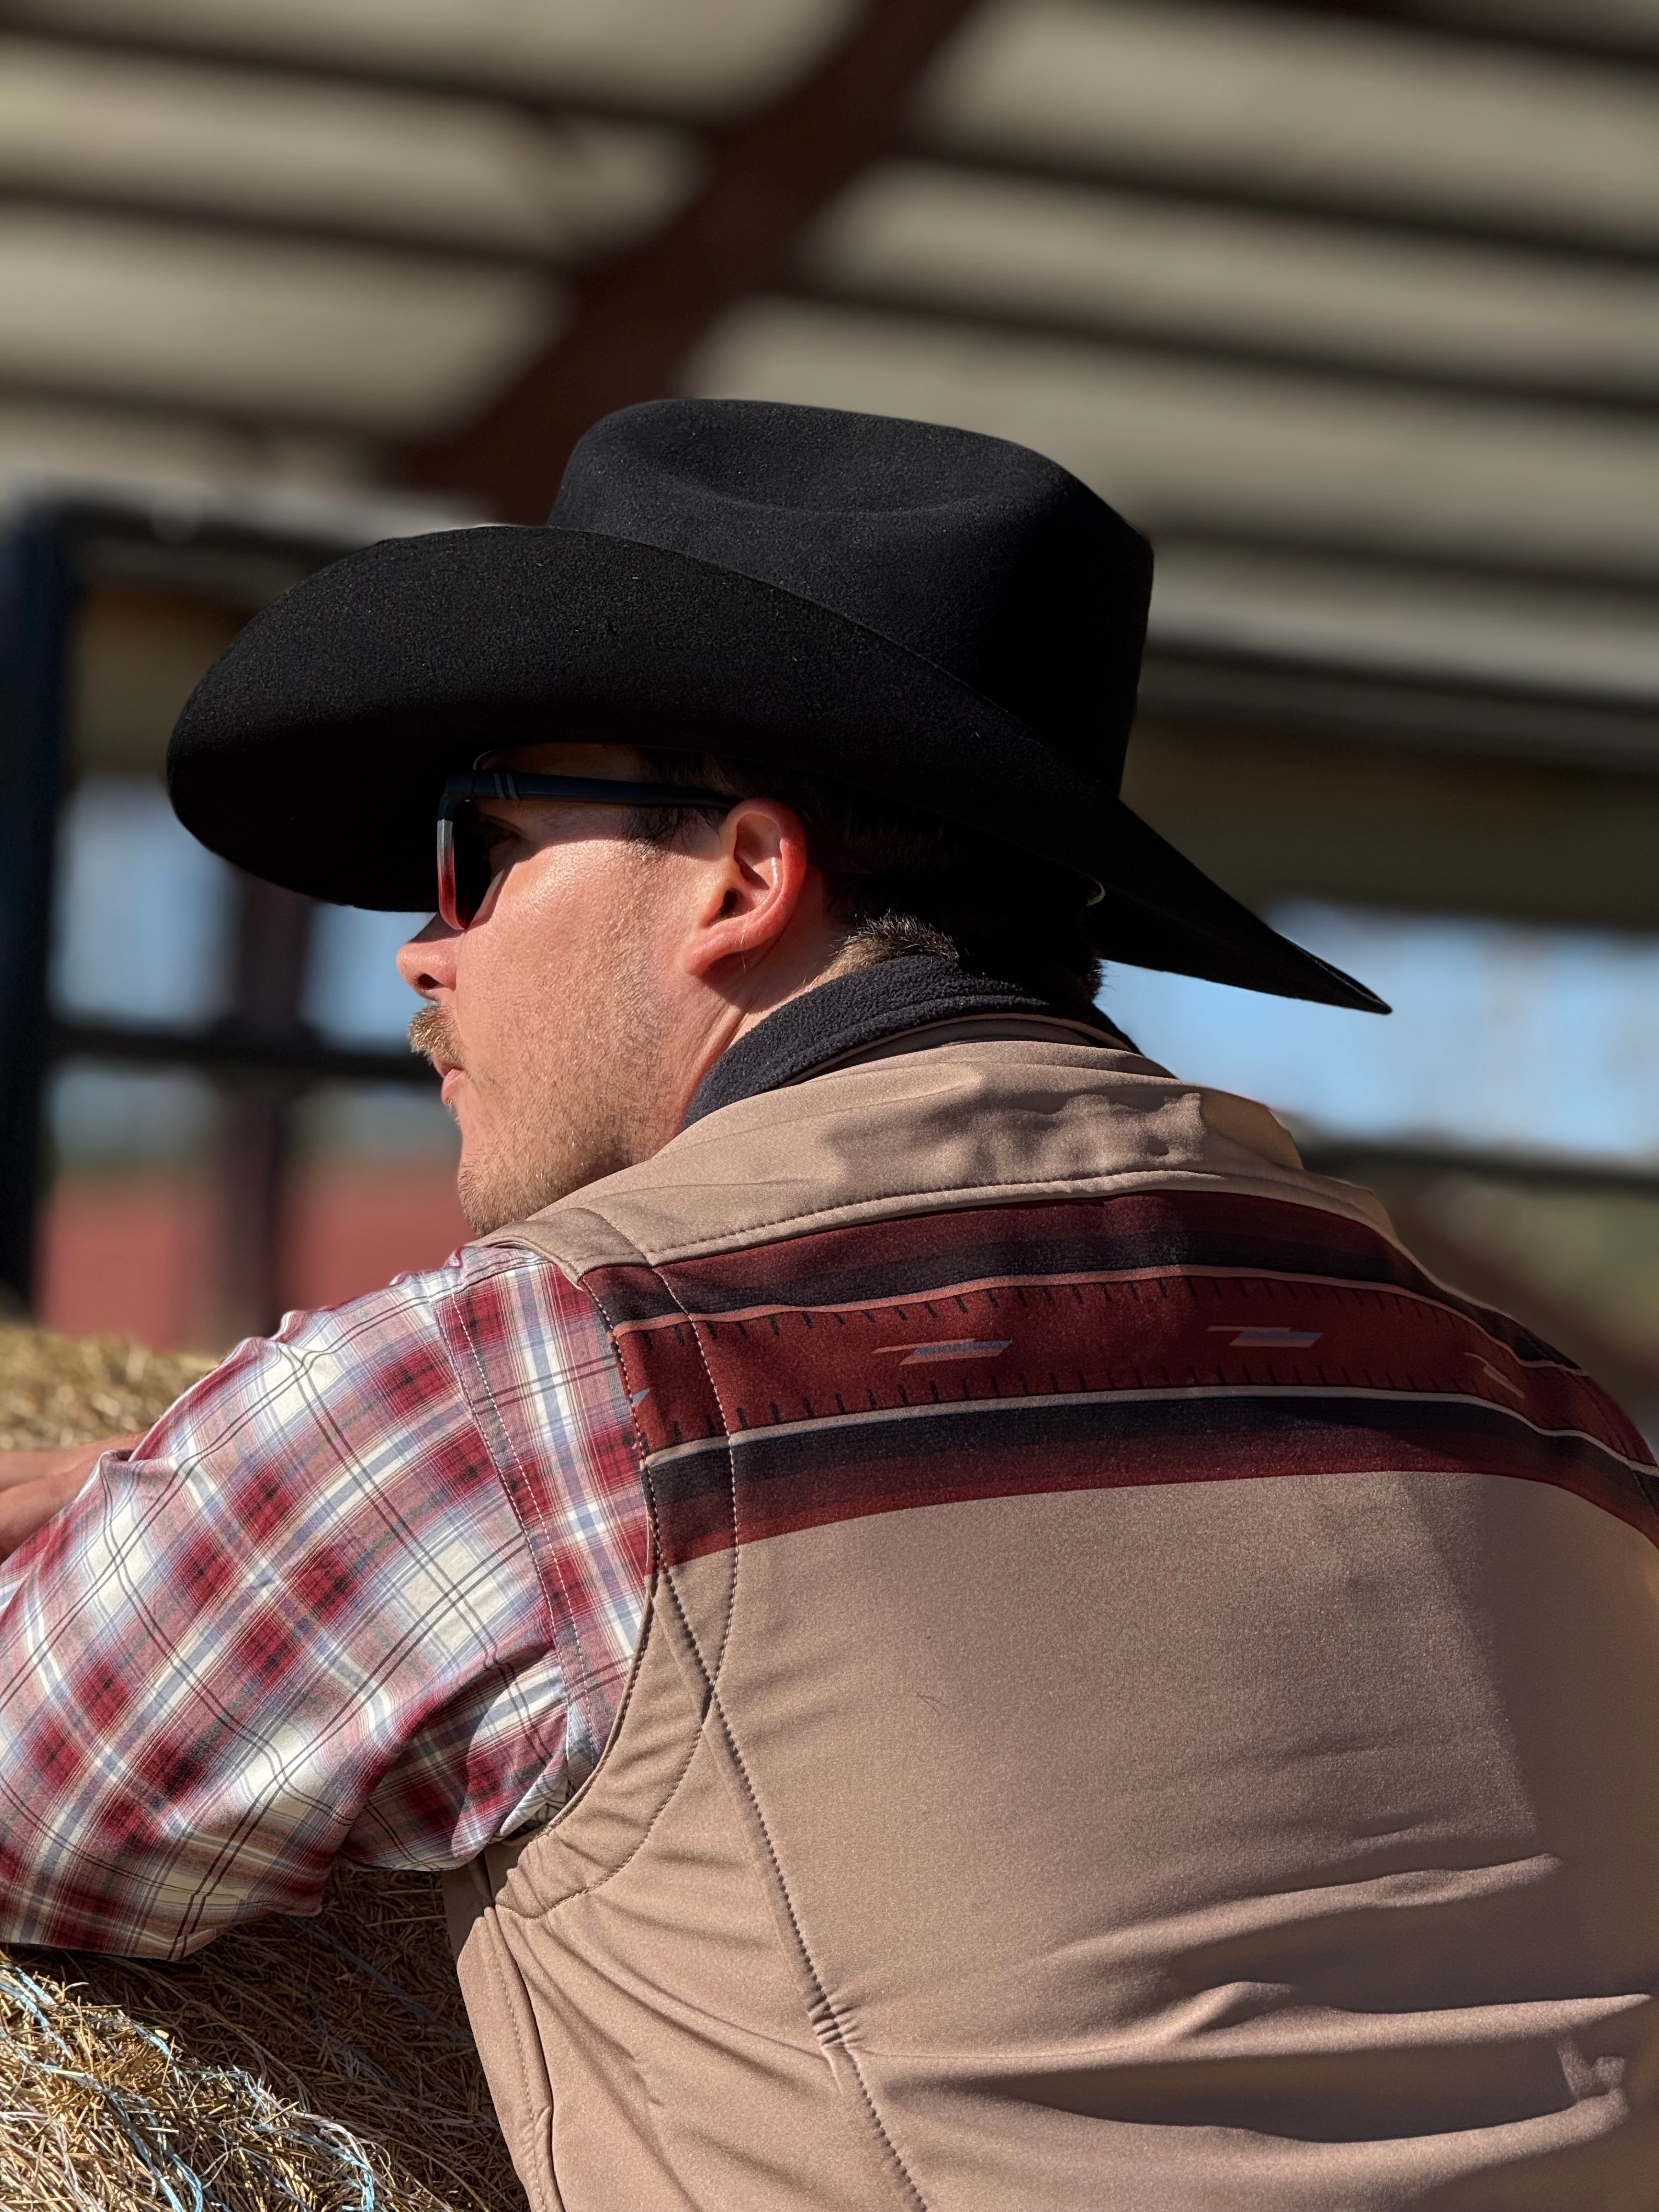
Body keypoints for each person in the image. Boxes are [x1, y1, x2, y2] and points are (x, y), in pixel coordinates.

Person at [3, 398, 1657, 2210]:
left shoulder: (542, 1374)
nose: (423, 943)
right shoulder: (1541, 1407)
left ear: (744, 877)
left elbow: (41, 1788)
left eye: (479, 847)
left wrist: (154, 1483)